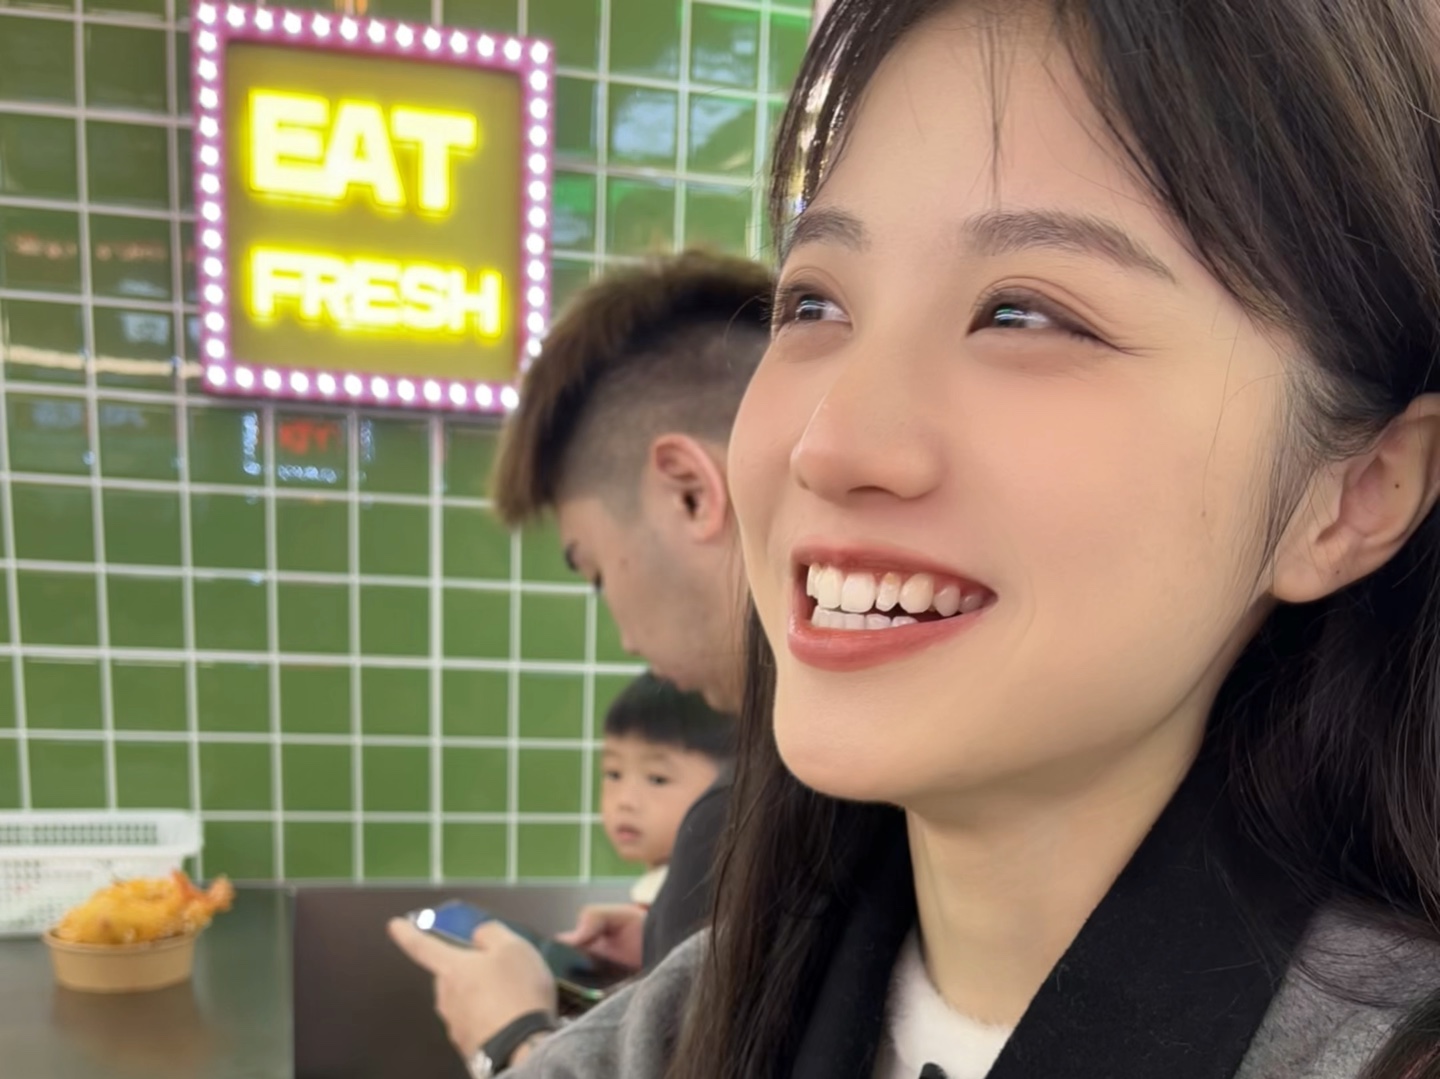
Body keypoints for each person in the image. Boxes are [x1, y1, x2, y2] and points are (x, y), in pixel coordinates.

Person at [509, 0, 1440, 1077]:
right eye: (813, 304)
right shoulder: (659, 1043)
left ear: (1356, 494)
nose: (830, 443)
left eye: (1022, 314)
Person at [387, 250, 769, 1072]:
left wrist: (512, 1038)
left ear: (690, 491)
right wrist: (673, 953)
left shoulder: (744, 821)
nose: (624, 637)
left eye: (593, 569)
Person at [599, 672, 736, 910]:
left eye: (657, 779)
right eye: (613, 774)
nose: (625, 801)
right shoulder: (656, 893)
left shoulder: (707, 904)